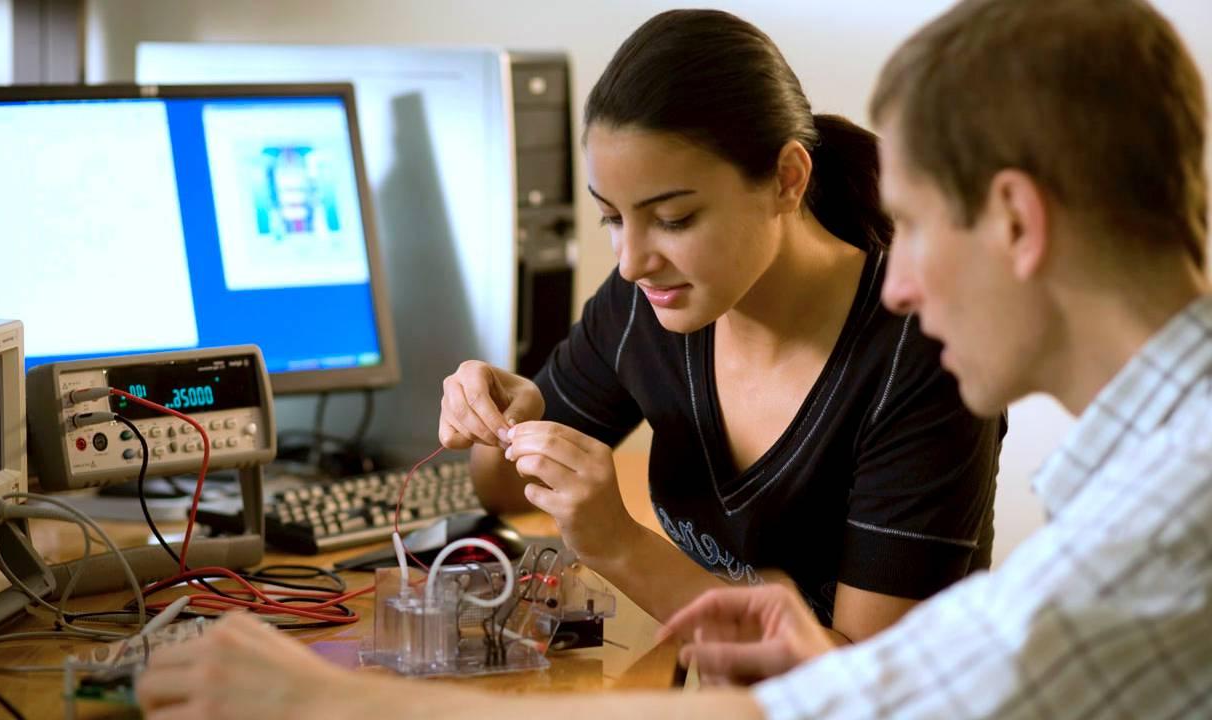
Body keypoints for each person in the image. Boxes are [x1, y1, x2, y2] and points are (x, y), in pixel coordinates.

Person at [136, 0, 1212, 717]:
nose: (897, 280)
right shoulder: (1148, 475)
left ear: (1016, 222)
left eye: (918, 226)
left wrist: (324, 700)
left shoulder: (1171, 516)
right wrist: (511, 423)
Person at [438, 8, 1003, 642]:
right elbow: (505, 493)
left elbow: (858, 685)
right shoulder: (646, 304)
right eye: (612, 219)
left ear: (787, 180)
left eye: (674, 218)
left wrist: (619, 545)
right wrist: (503, 419)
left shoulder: (924, 360)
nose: (630, 262)